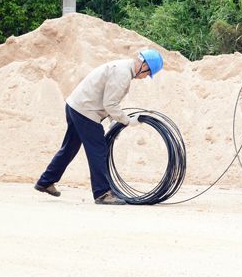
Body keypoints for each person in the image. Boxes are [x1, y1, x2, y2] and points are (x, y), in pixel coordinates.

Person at [34, 49, 164, 205]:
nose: (144, 78)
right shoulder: (122, 74)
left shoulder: (122, 67)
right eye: (147, 74)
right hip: (85, 111)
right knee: (98, 150)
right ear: (144, 65)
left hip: (75, 106)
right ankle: (102, 193)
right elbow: (110, 104)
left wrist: (113, 121)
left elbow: (106, 99)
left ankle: (45, 181)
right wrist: (127, 121)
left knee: (69, 148)